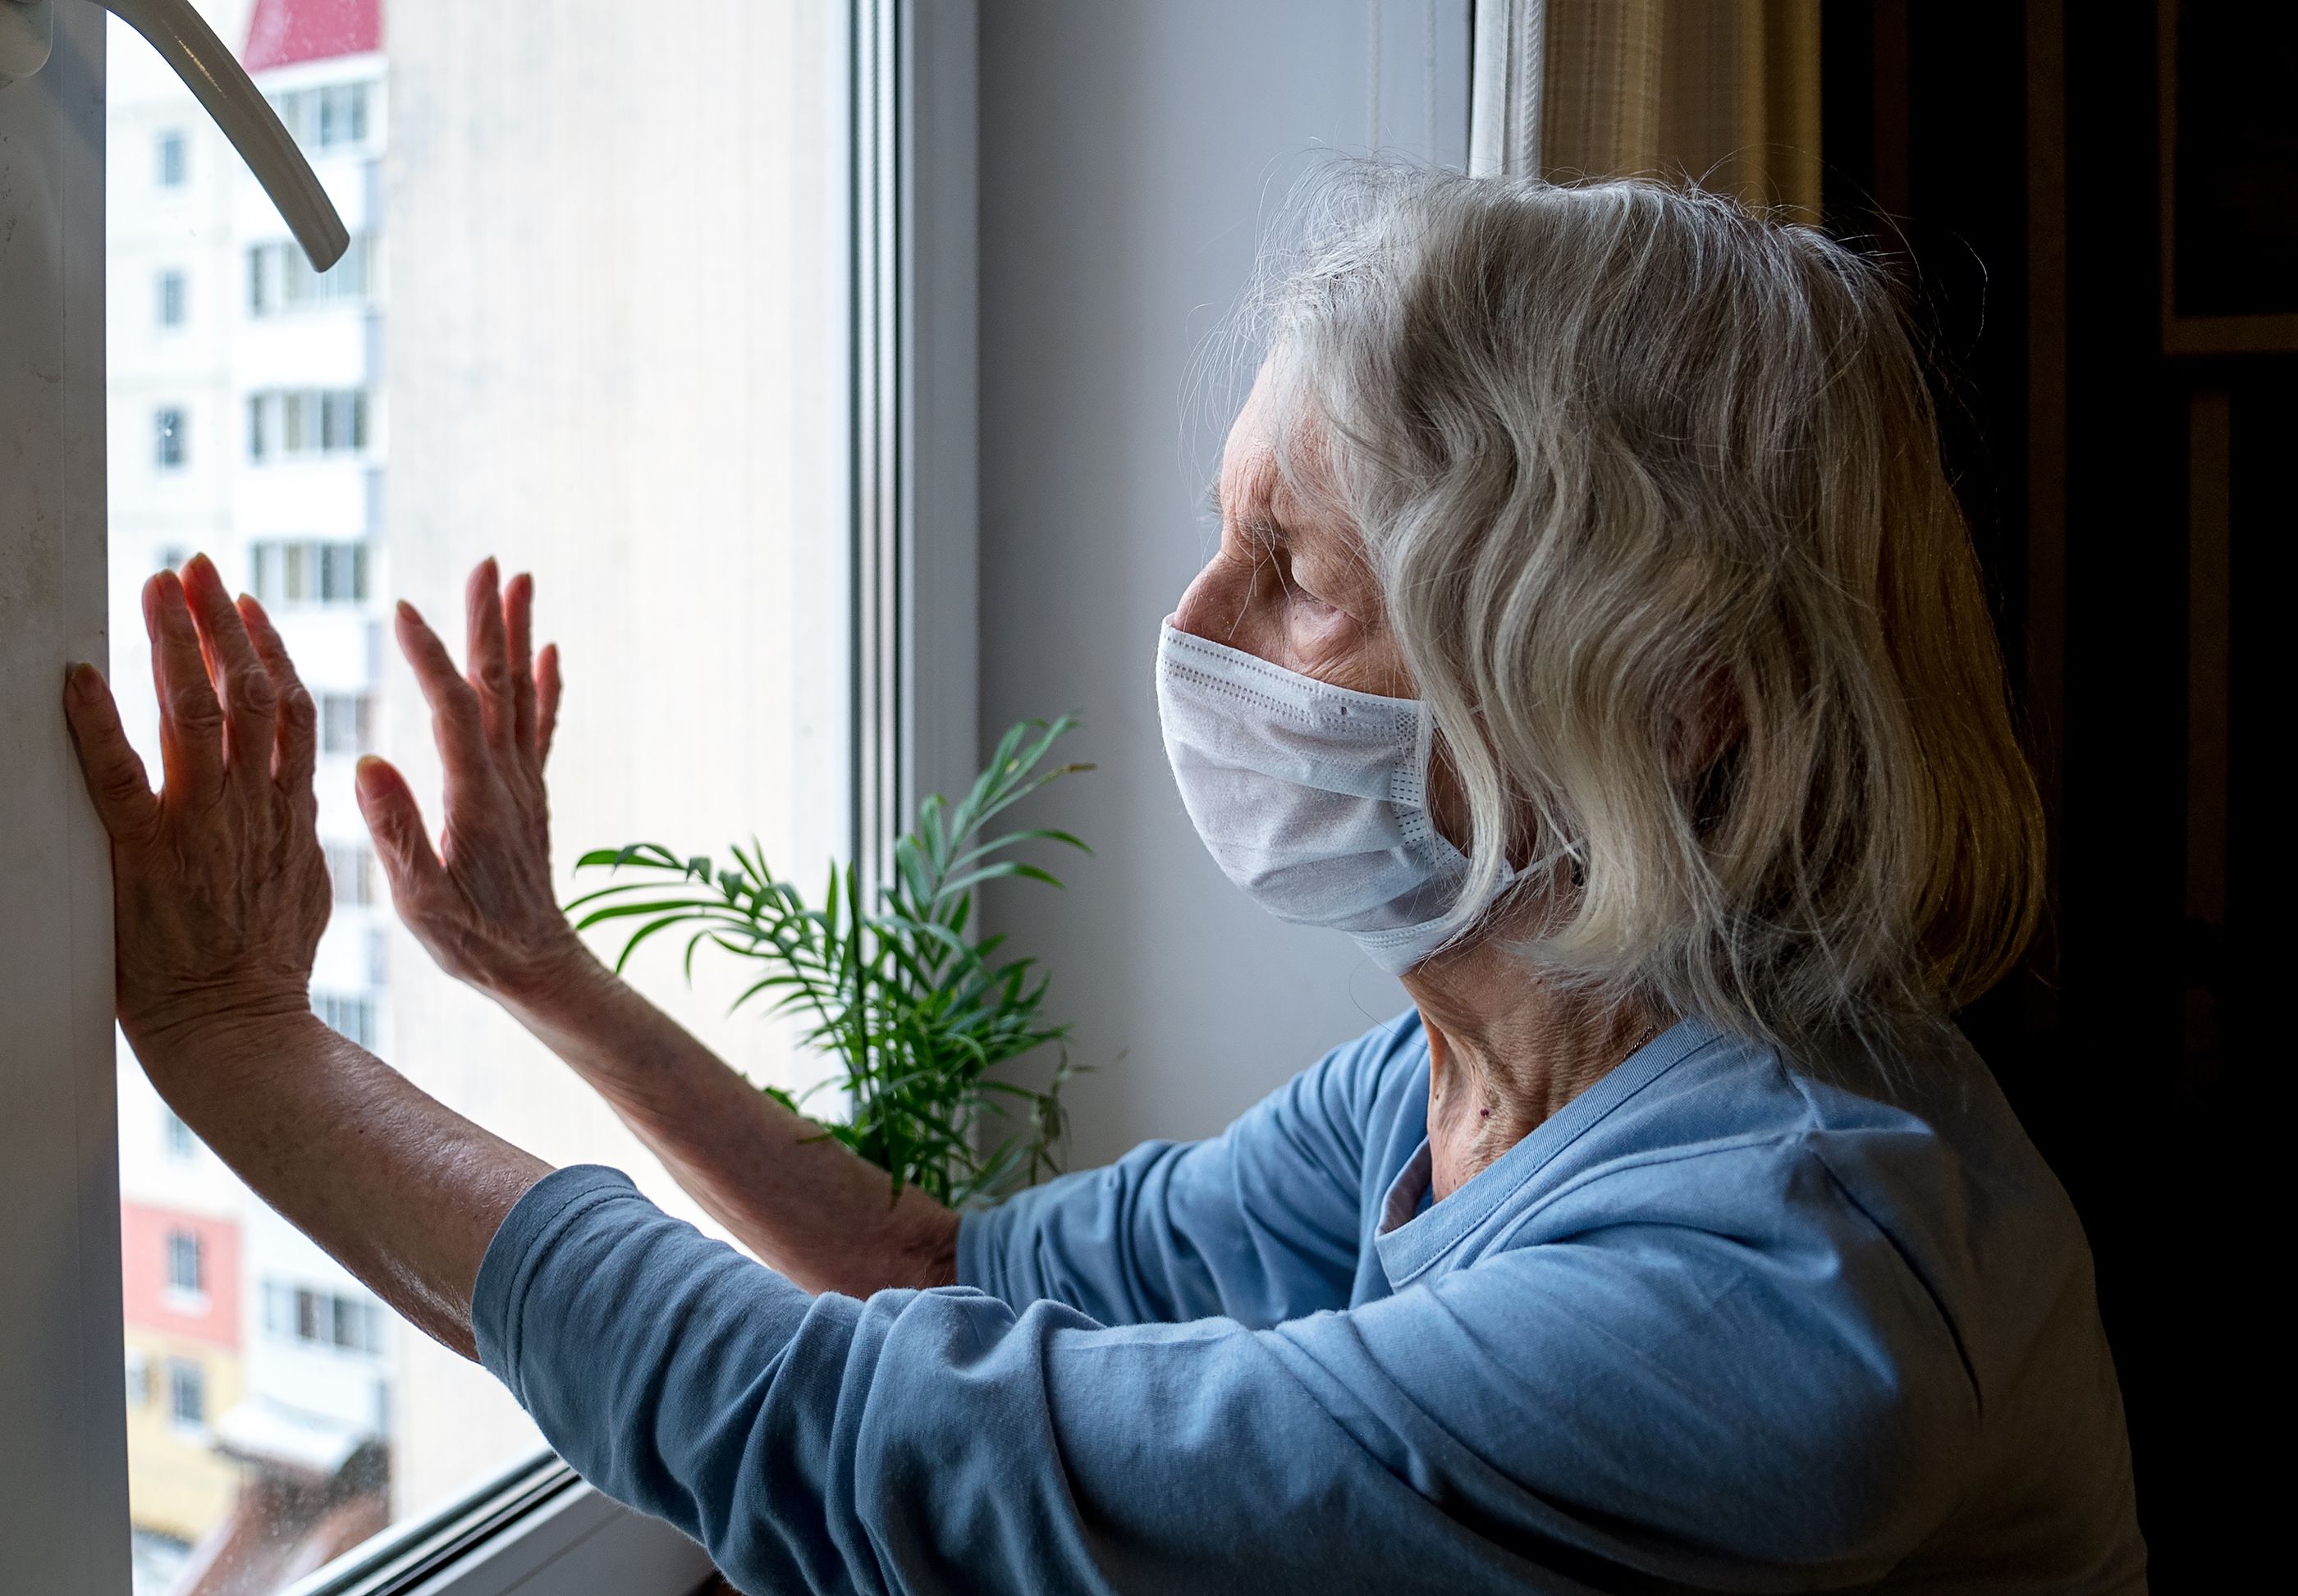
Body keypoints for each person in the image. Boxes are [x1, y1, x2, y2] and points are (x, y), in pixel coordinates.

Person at [63, 171, 2145, 1594]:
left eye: (1297, 574)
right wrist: (544, 974)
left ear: (1663, 697)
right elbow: (926, 1271)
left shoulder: (1780, 1287)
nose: (1191, 622)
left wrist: (246, 1049)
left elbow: (876, 1446)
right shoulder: (1480, 1077)